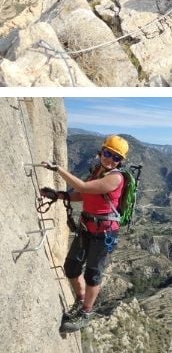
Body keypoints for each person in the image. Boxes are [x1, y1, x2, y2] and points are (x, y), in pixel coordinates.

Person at [39, 135, 130, 332]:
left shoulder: (115, 177)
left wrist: (58, 169)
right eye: (107, 153)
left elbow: (84, 187)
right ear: (101, 151)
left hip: (105, 232)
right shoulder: (97, 171)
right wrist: (60, 195)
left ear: (120, 161)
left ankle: (86, 311)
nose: (109, 159)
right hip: (87, 227)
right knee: (71, 266)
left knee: (93, 274)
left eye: (115, 157)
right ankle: (80, 301)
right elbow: (82, 194)